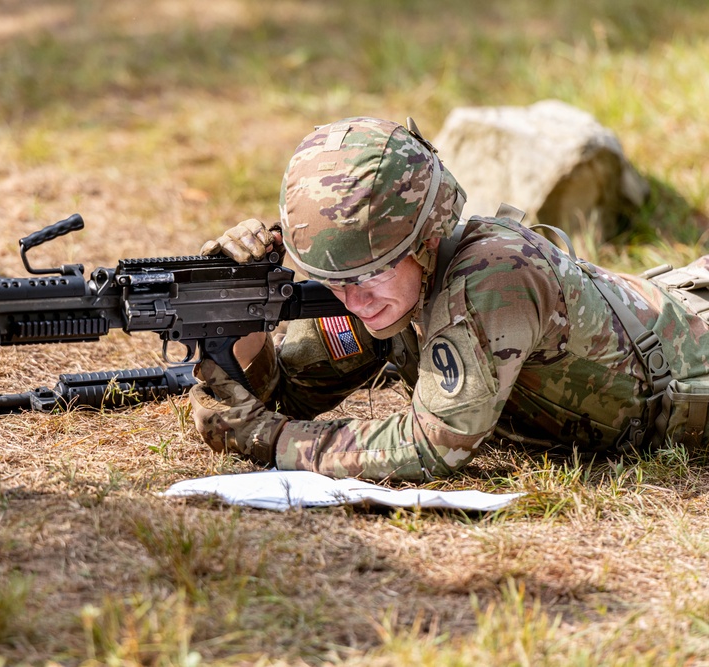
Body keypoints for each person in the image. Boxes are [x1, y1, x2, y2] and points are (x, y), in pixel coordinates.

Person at [189, 116, 709, 482]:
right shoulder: (384, 294)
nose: (352, 300)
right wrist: (239, 311)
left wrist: (275, 443)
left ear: (424, 240)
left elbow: (431, 446)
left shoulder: (494, 276)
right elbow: (285, 397)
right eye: (334, 279)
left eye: (368, 274)